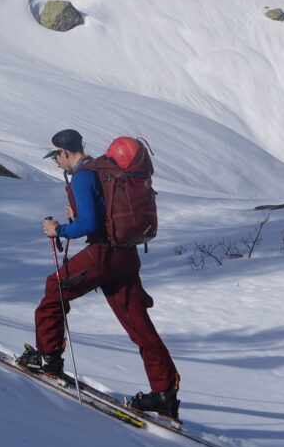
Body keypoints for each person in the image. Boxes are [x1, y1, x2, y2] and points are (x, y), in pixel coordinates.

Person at [17, 128, 180, 417]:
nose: (55, 161)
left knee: (54, 288)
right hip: (126, 255)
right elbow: (102, 214)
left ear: (65, 152)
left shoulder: (82, 176)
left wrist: (59, 229)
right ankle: (164, 394)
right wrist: (77, 218)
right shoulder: (104, 170)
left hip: (104, 254)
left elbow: (89, 226)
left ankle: (47, 358)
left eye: (56, 155)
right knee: (139, 326)